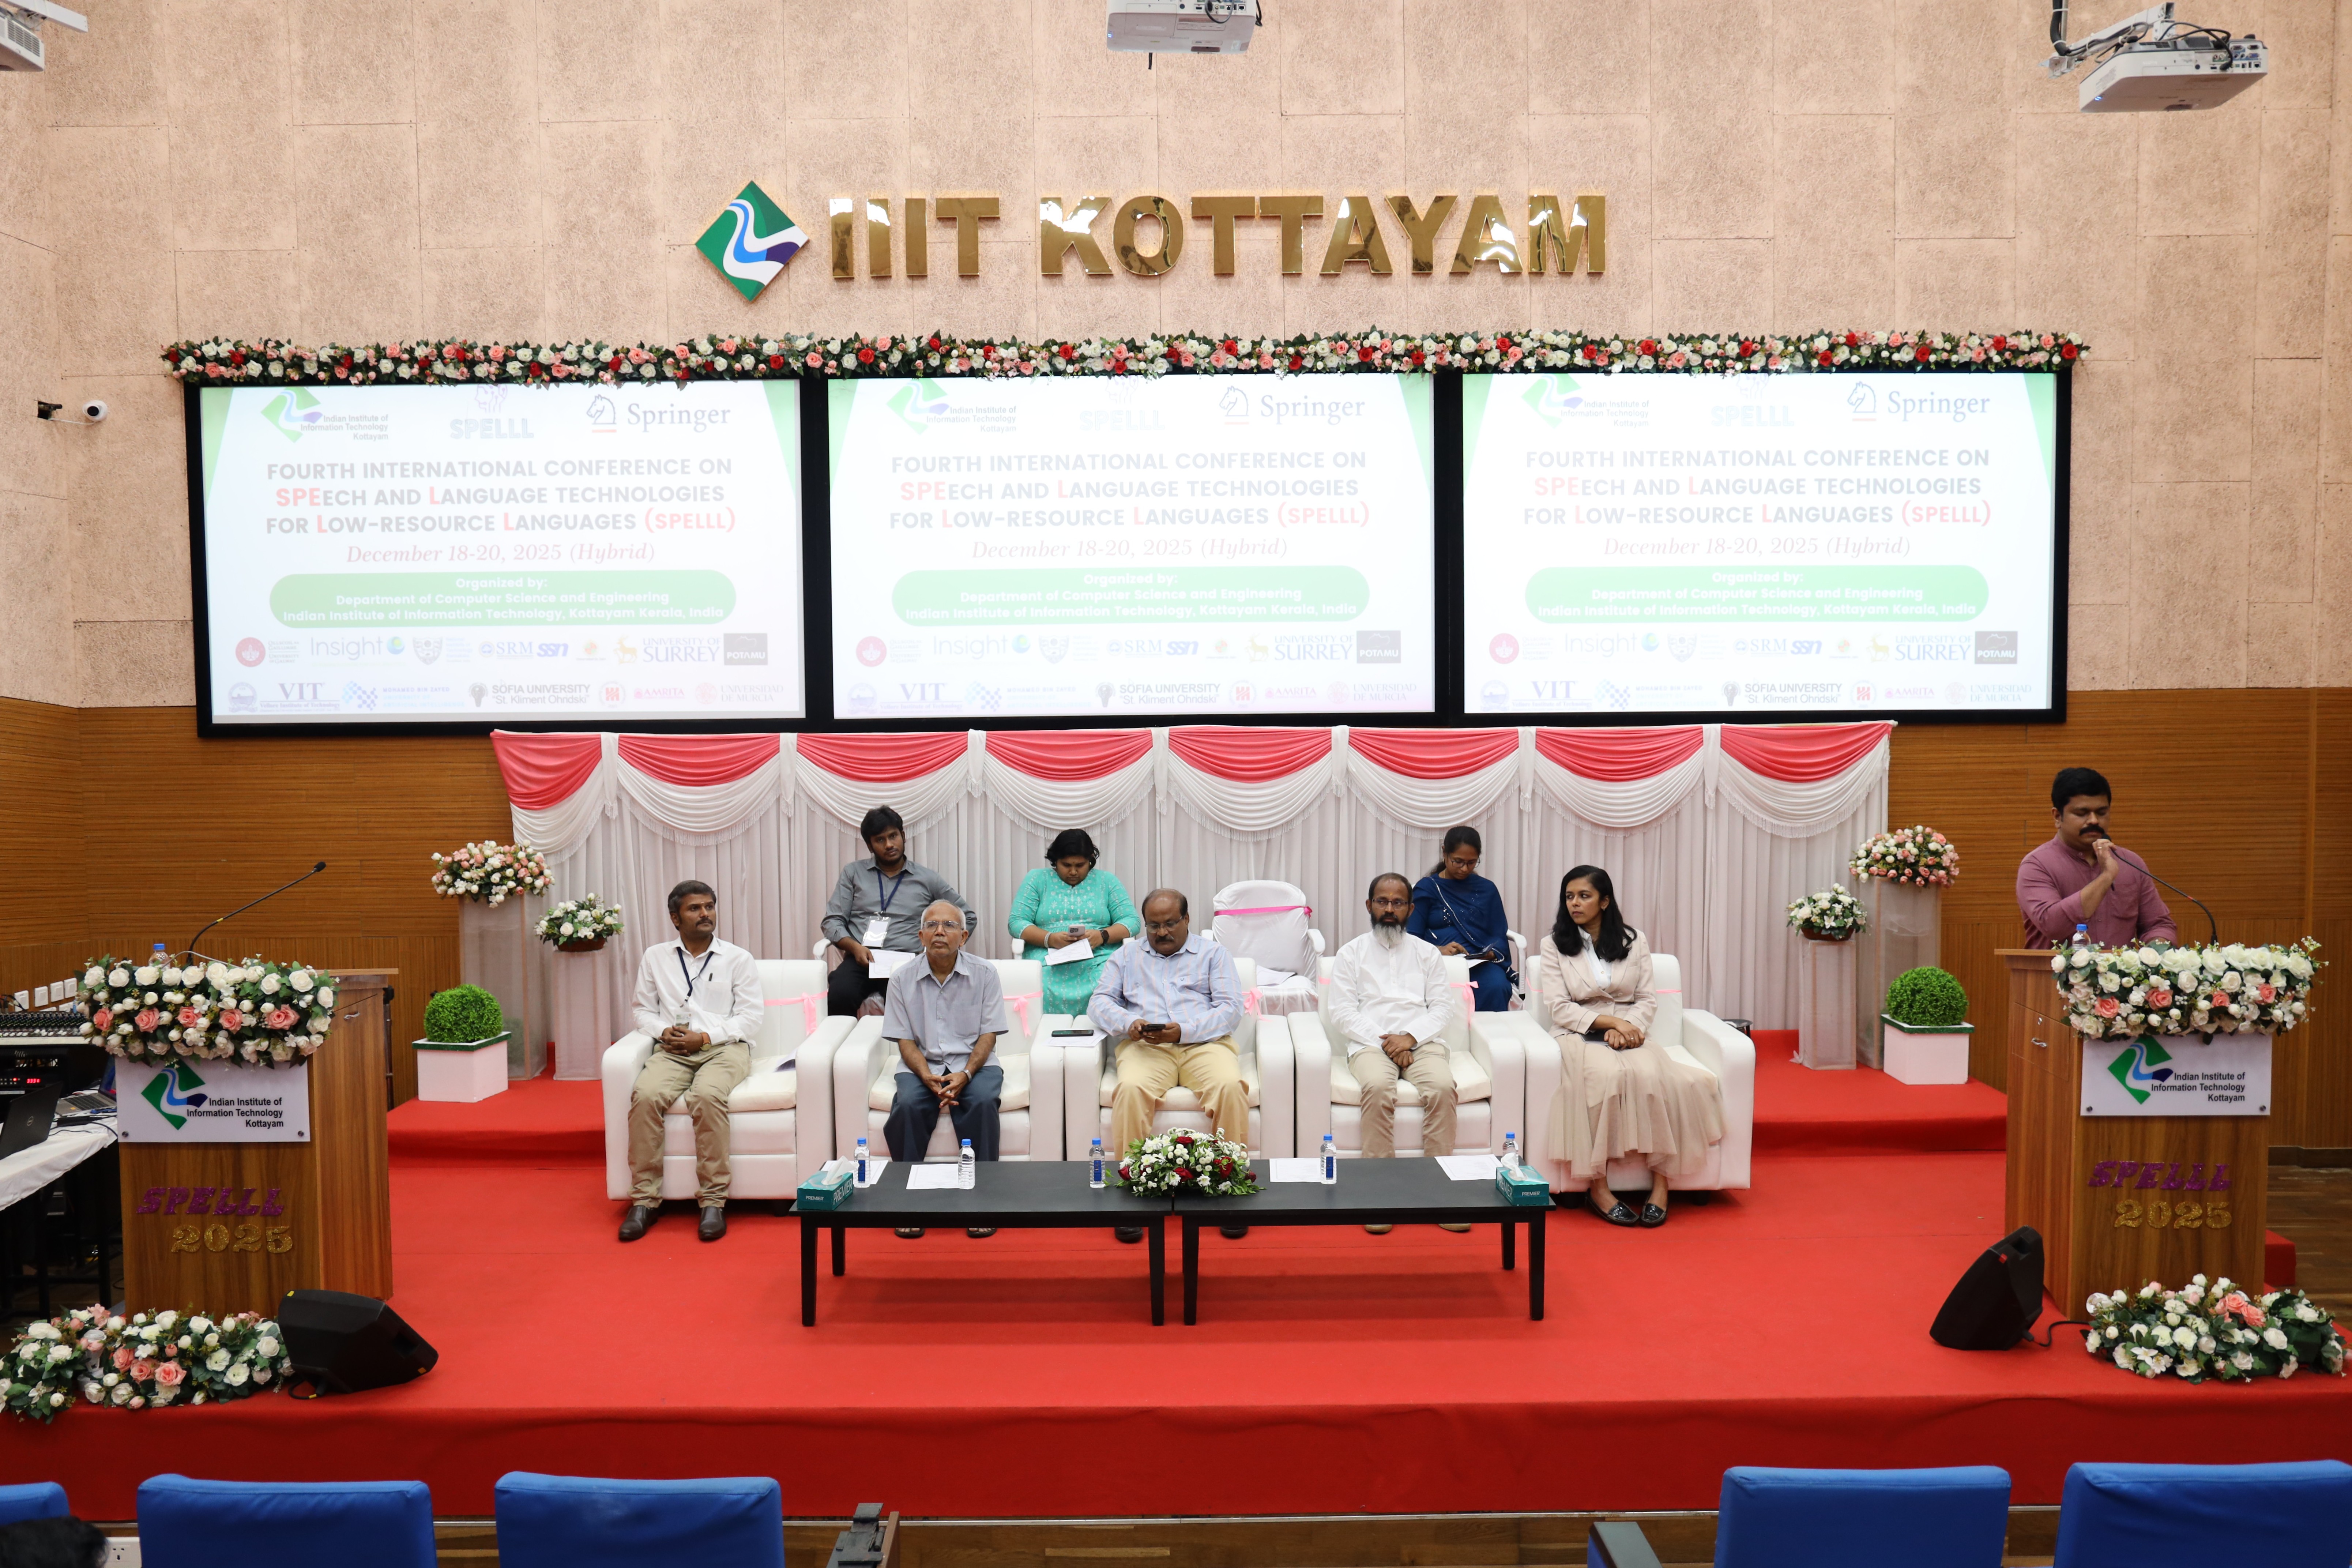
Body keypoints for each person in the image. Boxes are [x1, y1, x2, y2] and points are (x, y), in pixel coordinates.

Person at [1537, 866, 1723, 1230]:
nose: (1574, 903)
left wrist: (1630, 1027)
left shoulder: (1634, 939)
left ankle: (1661, 1186)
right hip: (1579, 1031)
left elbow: (1646, 999)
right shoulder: (1553, 944)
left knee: (1654, 1078)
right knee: (1604, 1080)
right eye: (1569, 897)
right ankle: (1598, 1188)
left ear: (1604, 901)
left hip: (1631, 1031)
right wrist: (1611, 1023)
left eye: (1584, 896)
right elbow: (1559, 1007)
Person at [1089, 889, 1251, 1244]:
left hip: (1204, 1044)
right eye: (1153, 926)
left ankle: (1231, 1187)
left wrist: (1184, 1031)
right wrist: (1128, 1022)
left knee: (1229, 1086)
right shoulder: (1126, 956)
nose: (1162, 932)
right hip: (1147, 1047)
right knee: (1130, 1089)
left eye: (1169, 924)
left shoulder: (1213, 954)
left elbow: (1230, 1009)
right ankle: (1132, 1193)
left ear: (1187, 920)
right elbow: (1098, 1002)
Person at [620, 879, 766, 1244]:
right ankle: (644, 1201)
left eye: (709, 906)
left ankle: (713, 1202)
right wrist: (662, 1031)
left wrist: (703, 1038)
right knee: (646, 1096)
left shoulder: (738, 958)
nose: (705, 914)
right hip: (673, 1049)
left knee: (706, 1096)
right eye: (694, 908)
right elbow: (641, 1010)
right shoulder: (655, 957)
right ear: (675, 918)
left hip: (725, 1048)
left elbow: (750, 1018)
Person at [1326, 872, 1468, 1236]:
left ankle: (1439, 1192)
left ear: (1410, 908)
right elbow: (1341, 1012)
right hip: (1369, 1044)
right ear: (1369, 905)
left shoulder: (1427, 953)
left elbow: (1442, 1008)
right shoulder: (1350, 953)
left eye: (1397, 903)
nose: (1389, 909)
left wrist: (1410, 1038)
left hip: (1422, 1042)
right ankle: (1380, 1194)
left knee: (1442, 1087)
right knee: (1376, 1088)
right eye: (1382, 902)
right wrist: (1388, 1042)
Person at [880, 899, 1008, 1241]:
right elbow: (905, 1040)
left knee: (982, 1102)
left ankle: (983, 1200)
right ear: (920, 935)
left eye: (949, 925)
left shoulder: (985, 974)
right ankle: (908, 1202)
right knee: (908, 1105)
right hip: (921, 1065)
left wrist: (966, 1074)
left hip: (975, 1064)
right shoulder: (901, 978)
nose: (940, 931)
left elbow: (989, 1034)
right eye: (932, 925)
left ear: (963, 936)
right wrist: (925, 1075)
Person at [821, 806, 975, 1018]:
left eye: (893, 836)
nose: (889, 845)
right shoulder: (853, 873)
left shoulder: (927, 879)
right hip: (862, 958)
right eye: (880, 840)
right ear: (870, 846)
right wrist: (855, 948)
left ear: (903, 836)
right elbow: (832, 921)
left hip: (905, 963)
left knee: (909, 1004)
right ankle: (846, 1040)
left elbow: (967, 917)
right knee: (840, 994)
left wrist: (941, 948)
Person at [2016, 766, 2179, 949]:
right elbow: (2052, 925)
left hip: (2120, 969)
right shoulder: (2037, 865)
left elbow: (2158, 925)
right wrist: (2107, 877)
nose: (2094, 821)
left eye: (2102, 813)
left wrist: (2157, 949)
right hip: (2052, 968)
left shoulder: (2131, 863)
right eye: (2082, 813)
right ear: (2057, 817)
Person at [1008, 828, 1138, 1016]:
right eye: (1066, 865)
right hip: (1047, 956)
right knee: (1042, 982)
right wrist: (1050, 939)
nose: (1073, 872)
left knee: (1107, 981)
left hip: (1099, 955)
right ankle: (1048, 1033)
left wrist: (1103, 936)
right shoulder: (1037, 879)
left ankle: (1100, 1034)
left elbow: (1132, 921)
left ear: (1091, 861)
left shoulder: (1107, 881)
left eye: (1080, 865)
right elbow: (1017, 922)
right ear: (1055, 861)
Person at [1409, 825, 1513, 1011]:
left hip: (1479, 965)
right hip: (1438, 963)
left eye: (1472, 862)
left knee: (1497, 986)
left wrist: (1491, 953)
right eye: (1458, 862)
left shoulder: (1487, 889)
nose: (1465, 869)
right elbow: (1412, 937)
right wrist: (1438, 950)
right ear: (1445, 853)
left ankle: (1491, 1031)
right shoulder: (1427, 889)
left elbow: (1498, 933)